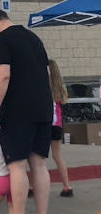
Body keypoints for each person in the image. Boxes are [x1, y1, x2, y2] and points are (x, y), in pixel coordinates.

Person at [0, 8, 53, 214]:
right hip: (42, 108)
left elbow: (3, 75)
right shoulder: (33, 38)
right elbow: (47, 73)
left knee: (17, 166)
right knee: (39, 164)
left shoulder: (3, 40)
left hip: (16, 112)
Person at [47, 59, 73, 197]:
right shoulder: (59, 88)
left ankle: (33, 186)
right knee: (57, 156)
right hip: (57, 125)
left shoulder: (44, 86)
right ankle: (67, 186)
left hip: (45, 124)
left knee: (37, 157)